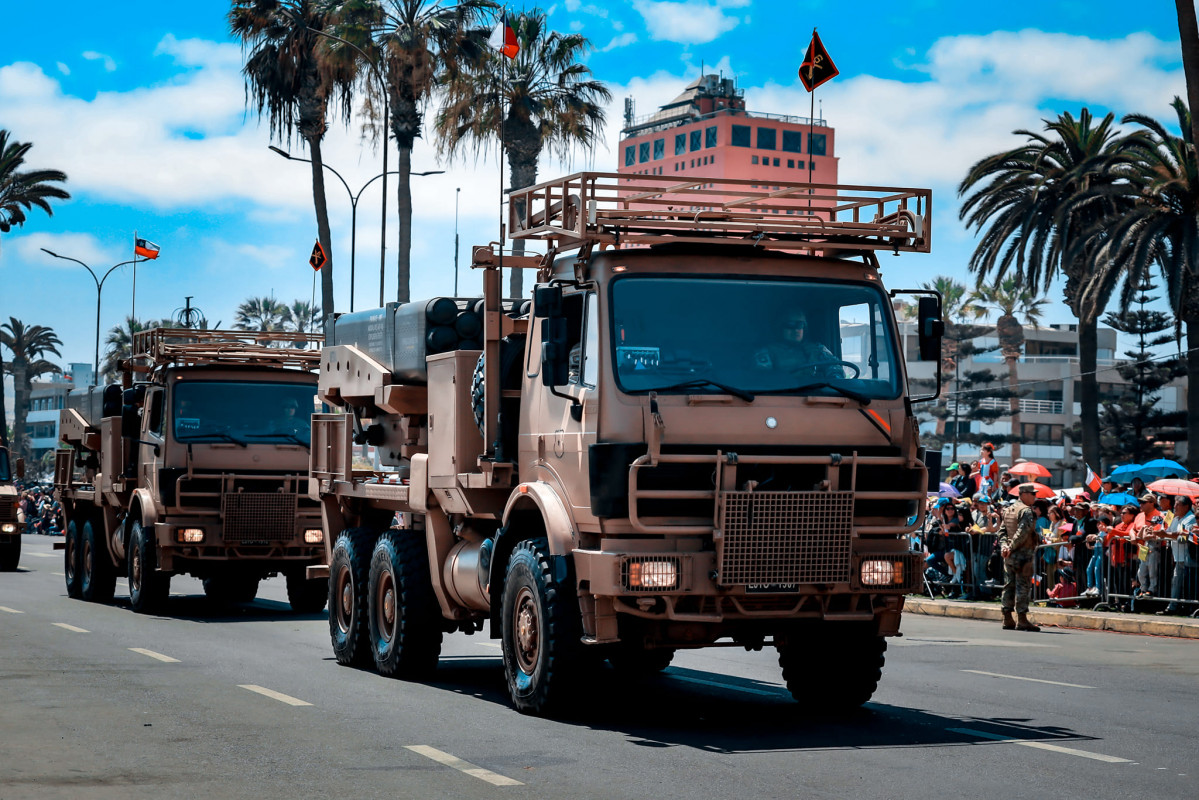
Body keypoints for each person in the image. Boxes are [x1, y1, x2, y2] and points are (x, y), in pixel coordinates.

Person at [998, 483, 1042, 631]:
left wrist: (1005, 546)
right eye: (1032, 494)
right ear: (1023, 494)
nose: (1035, 496)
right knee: (1022, 586)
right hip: (1022, 554)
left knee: (1008, 585)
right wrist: (1009, 547)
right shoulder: (1026, 511)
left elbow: (1002, 532)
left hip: (1009, 555)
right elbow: (1022, 532)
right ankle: (1021, 619)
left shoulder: (1009, 509)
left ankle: (1007, 618)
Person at [754, 310, 840, 378]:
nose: (796, 330)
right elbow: (763, 380)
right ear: (779, 328)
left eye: (800, 325)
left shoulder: (818, 349)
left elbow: (837, 374)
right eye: (790, 325)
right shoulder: (766, 352)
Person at [1157, 496, 1197, 616]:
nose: (1174, 507)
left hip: (1189, 558)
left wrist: (1167, 534)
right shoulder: (1173, 516)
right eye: (1174, 504)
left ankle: (1184, 607)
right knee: (1176, 582)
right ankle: (1174, 606)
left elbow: (1183, 536)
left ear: (1186, 506)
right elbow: (1162, 531)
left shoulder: (1191, 518)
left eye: (1178, 504)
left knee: (1189, 584)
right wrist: (1168, 520)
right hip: (1177, 557)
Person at [1132, 493, 1165, 598]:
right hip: (1143, 547)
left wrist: (1148, 534)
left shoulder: (1159, 515)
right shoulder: (1139, 515)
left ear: (1152, 503)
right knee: (1141, 572)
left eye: (1143, 502)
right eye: (1140, 502)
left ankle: (1151, 590)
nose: (1140, 504)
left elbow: (1159, 530)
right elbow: (1132, 529)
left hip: (1154, 546)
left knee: (1152, 570)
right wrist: (1133, 536)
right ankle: (1143, 589)